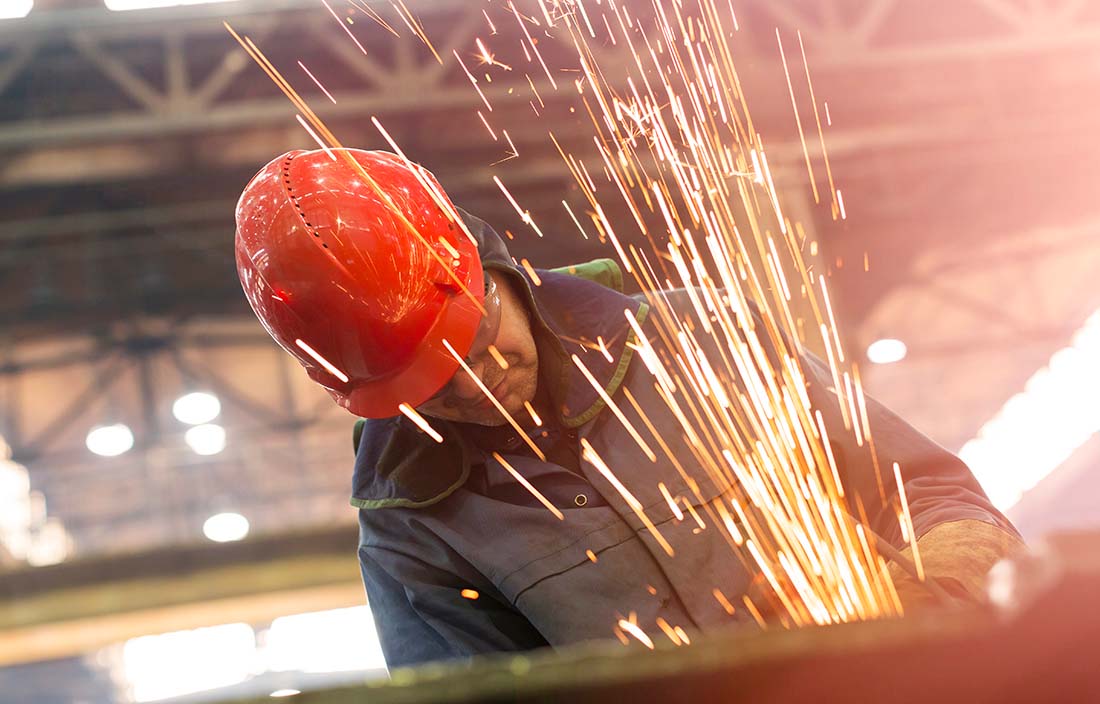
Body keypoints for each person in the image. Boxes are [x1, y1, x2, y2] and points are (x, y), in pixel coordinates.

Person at [235, 148, 1025, 668]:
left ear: (481, 268)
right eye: (432, 388)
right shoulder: (413, 522)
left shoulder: (698, 339)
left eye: (476, 347)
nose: (477, 388)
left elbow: (940, 497)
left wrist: (923, 599)